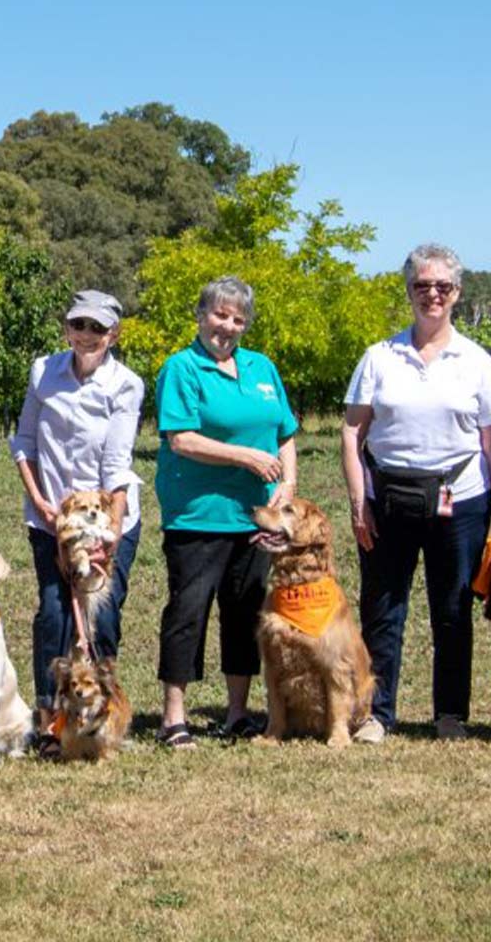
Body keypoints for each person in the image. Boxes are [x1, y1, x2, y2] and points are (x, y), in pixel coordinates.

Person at [342, 243, 491, 743]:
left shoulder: (477, 361)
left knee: (453, 610)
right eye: (422, 286)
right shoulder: (379, 357)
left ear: (457, 292)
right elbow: (351, 432)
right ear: (408, 291)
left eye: (442, 287)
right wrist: (359, 501)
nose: (433, 294)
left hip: (463, 500)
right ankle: (377, 714)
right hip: (389, 499)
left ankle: (449, 714)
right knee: (383, 607)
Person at [154, 276, 297, 749]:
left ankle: (238, 712)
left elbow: (285, 432)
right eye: (220, 315)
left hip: (255, 516)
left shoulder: (262, 368)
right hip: (198, 514)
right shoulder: (182, 368)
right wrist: (246, 457)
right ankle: (174, 716)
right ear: (201, 315)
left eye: (238, 319)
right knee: (188, 611)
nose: (228, 326)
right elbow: (182, 439)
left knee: (245, 612)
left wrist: (288, 483)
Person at [11, 289, 144, 758]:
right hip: (51, 517)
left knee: (101, 618)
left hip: (107, 518)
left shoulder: (126, 384)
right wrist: (43, 504)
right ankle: (50, 720)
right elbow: (24, 441)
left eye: (97, 328)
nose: (86, 335)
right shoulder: (43, 370)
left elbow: (117, 463)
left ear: (114, 333)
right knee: (55, 613)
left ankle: (102, 717)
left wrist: (105, 531)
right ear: (67, 328)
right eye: (78, 325)